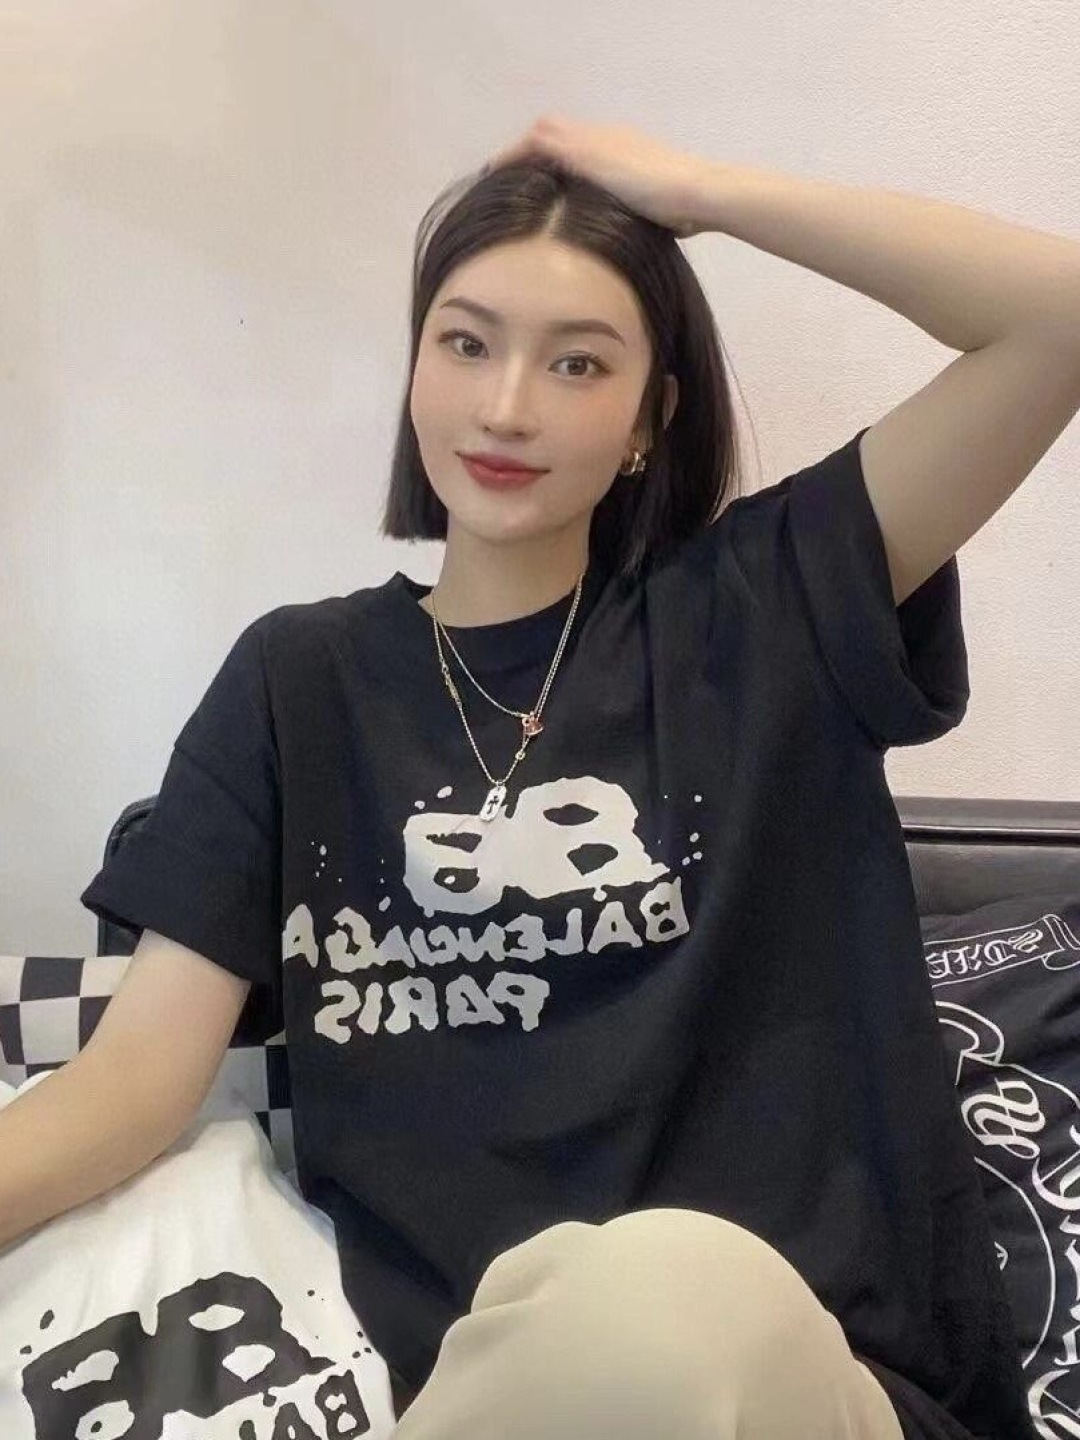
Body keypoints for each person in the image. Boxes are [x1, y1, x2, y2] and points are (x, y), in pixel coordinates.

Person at [8, 157, 1032, 1439]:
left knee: (669, 1303)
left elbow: (1050, 320)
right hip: (470, 1393)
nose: (505, 405)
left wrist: (701, 192)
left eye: (578, 363)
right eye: (466, 344)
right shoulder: (297, 683)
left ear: (652, 415)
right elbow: (131, 1085)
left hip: (808, 1384)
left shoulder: (768, 612)